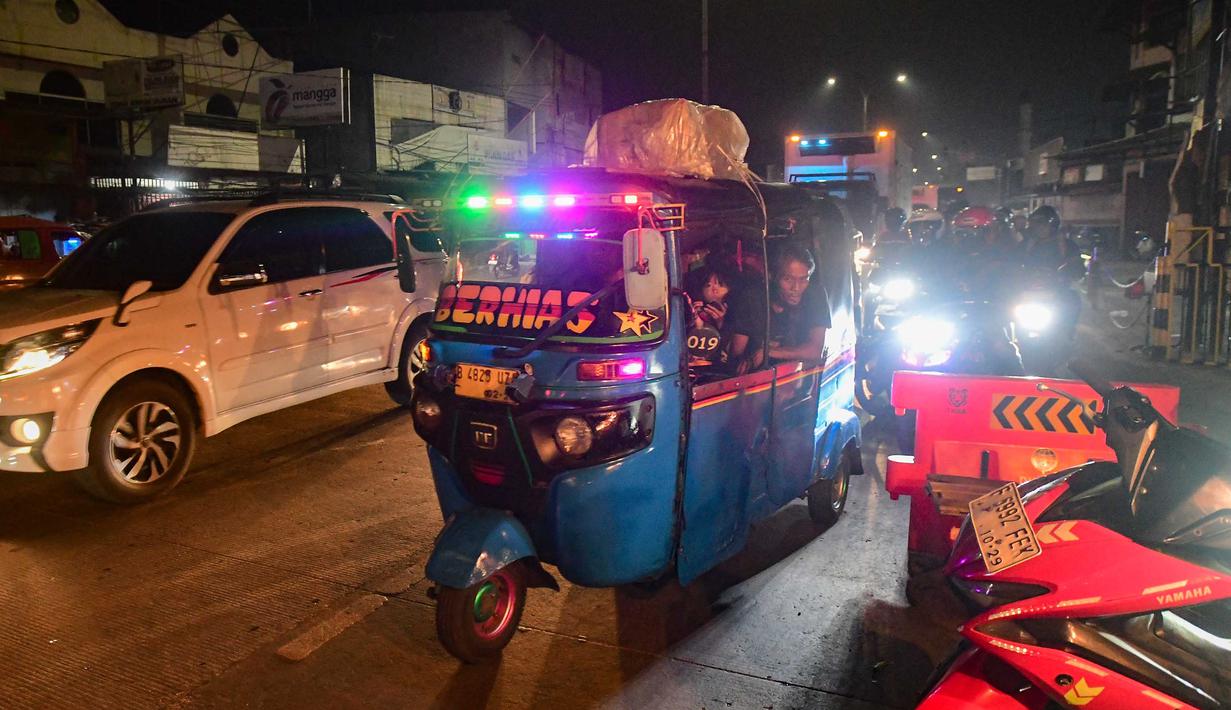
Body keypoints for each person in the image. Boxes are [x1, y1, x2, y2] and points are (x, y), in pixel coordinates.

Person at [728, 245, 829, 372]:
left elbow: (815, 350)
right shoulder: (752, 297)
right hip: (757, 381)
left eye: (803, 279)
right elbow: (736, 356)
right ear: (771, 276)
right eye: (788, 279)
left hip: (801, 380)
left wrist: (768, 352)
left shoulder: (815, 294)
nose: (796, 288)